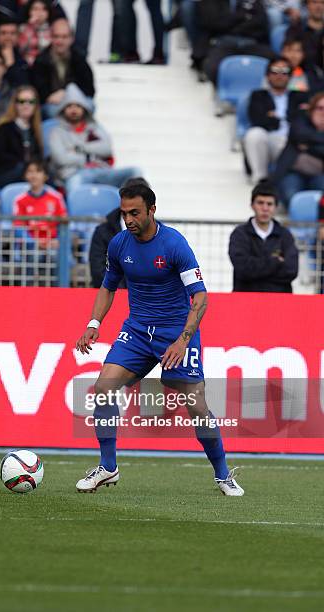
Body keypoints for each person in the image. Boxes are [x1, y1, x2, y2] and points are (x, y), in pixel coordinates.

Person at [75, 181, 244, 496]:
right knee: (102, 387)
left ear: (152, 209)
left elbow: (201, 298)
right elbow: (108, 285)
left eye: (135, 212)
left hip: (176, 332)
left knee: (196, 404)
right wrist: (94, 322)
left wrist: (183, 340)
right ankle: (108, 467)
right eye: (125, 213)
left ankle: (222, 474)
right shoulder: (118, 244)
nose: (129, 220)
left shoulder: (174, 245)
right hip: (137, 330)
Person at [49, 83, 140, 191]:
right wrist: (89, 157)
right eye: (69, 106)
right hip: (74, 174)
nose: (73, 110)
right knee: (75, 185)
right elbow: (61, 159)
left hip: (102, 172)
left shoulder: (95, 128)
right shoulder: (56, 132)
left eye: (77, 106)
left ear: (84, 109)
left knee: (135, 173)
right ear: (63, 109)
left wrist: (80, 148)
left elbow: (107, 148)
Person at [243, 57, 306, 184]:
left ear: (290, 76)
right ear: (267, 75)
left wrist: (273, 117)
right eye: (275, 71)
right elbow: (257, 120)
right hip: (268, 141)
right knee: (254, 134)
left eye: (284, 72)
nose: (279, 76)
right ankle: (260, 178)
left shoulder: (300, 97)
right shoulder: (258, 95)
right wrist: (279, 120)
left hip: (291, 143)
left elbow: (303, 121)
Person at [229, 181, 298, 291]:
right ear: (252, 205)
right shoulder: (239, 234)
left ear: (276, 207)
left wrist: (255, 270)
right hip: (246, 301)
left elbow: (291, 271)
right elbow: (242, 269)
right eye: (260, 203)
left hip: (279, 302)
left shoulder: (285, 235)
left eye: (269, 204)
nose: (265, 208)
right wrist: (275, 262)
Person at [31, 17, 95, 118]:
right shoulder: (41, 60)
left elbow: (90, 89)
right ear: (51, 38)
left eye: (64, 37)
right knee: (52, 111)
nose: (60, 41)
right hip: (51, 104)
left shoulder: (79, 58)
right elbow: (38, 90)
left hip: (75, 102)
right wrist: (50, 96)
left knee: (90, 105)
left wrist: (67, 94)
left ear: (71, 39)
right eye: (56, 37)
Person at [272, 91, 324, 206]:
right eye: (319, 108)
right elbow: (298, 134)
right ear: (311, 110)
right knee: (290, 196)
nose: (323, 113)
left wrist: (307, 147)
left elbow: (304, 138)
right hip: (293, 172)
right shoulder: (300, 120)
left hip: (320, 174)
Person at [0, 85, 43, 188]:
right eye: (21, 101)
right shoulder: (4, 127)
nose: (26, 105)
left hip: (29, 174)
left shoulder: (35, 129)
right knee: (25, 170)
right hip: (6, 174)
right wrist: (25, 164)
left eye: (31, 102)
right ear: (15, 104)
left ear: (35, 105)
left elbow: (38, 156)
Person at [13, 159, 67, 249]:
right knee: (34, 256)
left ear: (45, 176)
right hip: (31, 246)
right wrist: (33, 242)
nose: (34, 175)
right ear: (25, 175)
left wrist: (58, 240)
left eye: (38, 171)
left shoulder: (57, 198)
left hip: (53, 243)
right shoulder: (19, 200)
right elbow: (18, 227)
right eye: (30, 171)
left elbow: (64, 223)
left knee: (59, 255)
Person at [285, 0, 324, 69]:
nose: (319, 6)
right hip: (301, 72)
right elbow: (288, 54)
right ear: (307, 5)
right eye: (314, 2)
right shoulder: (295, 28)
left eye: (323, 3)